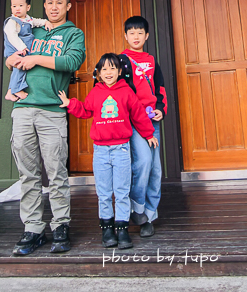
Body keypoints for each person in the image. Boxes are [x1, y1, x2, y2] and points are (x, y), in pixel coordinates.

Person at [6, 0, 86, 256]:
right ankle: (33, 228)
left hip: (52, 110)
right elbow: (11, 52)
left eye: (59, 3)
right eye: (49, 2)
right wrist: (10, 60)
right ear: (43, 6)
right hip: (23, 108)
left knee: (56, 171)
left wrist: (37, 58)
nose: (53, 7)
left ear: (68, 7)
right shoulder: (30, 29)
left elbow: (72, 60)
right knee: (27, 173)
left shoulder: (73, 33)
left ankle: (61, 225)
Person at [58, 52, 157, 249]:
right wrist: (71, 104)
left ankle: (122, 229)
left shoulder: (126, 92)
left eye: (113, 68)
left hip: (121, 148)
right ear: (99, 74)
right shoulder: (96, 92)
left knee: (121, 191)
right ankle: (107, 229)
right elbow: (86, 110)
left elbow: (138, 115)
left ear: (119, 71)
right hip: (101, 150)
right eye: (104, 69)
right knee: (103, 192)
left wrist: (148, 134)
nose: (109, 72)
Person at [119, 15, 167, 237]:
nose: (136, 36)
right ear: (126, 36)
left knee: (156, 169)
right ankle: (137, 207)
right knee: (143, 162)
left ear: (146, 36)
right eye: (132, 33)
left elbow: (160, 88)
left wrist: (161, 109)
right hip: (134, 121)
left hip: (151, 120)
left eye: (140, 33)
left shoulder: (151, 60)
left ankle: (149, 214)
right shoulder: (120, 60)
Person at [2, 0, 49, 102]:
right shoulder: (12, 21)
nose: (17, 8)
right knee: (20, 68)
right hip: (16, 49)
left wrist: (45, 22)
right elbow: (12, 36)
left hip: (23, 49)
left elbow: (36, 21)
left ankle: (10, 91)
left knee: (18, 69)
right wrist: (21, 47)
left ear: (28, 7)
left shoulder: (28, 19)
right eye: (14, 6)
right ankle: (17, 89)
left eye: (20, 5)